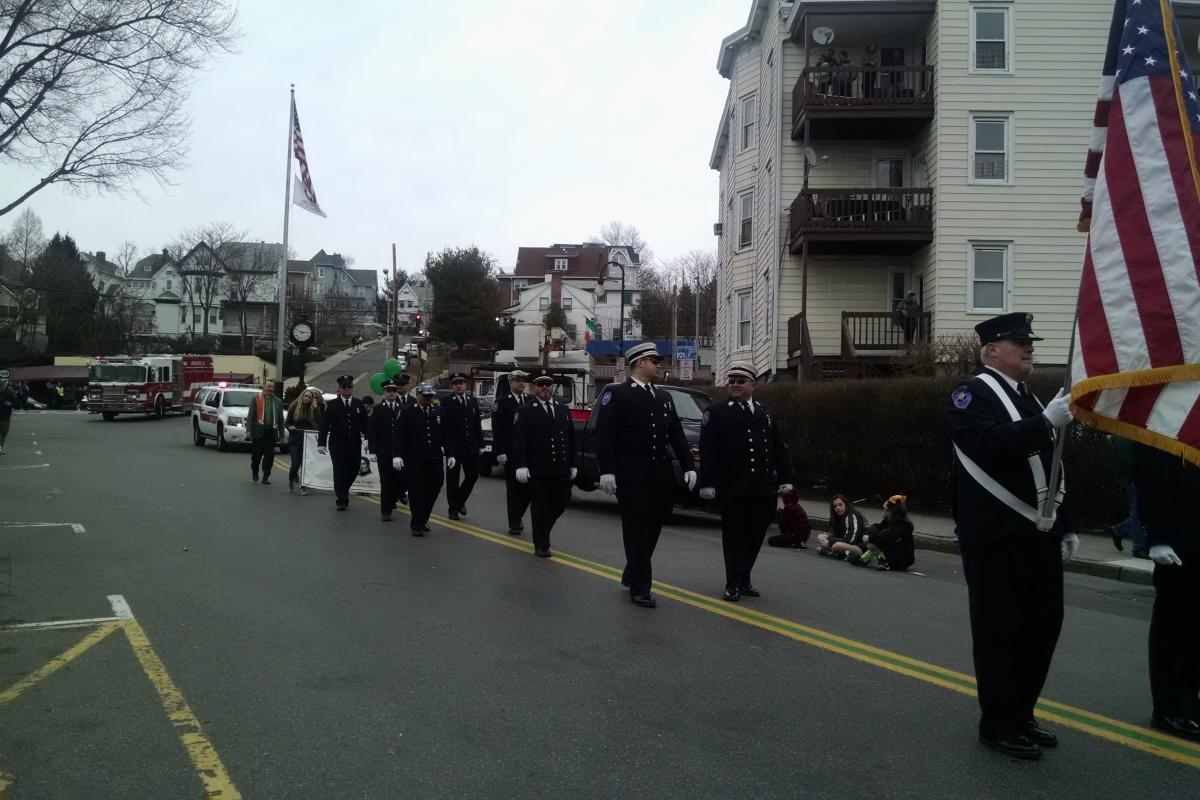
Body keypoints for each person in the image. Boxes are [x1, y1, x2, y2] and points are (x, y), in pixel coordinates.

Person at [947, 312, 1078, 761]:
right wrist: (1045, 423)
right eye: (1019, 342)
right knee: (999, 632)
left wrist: (1067, 523)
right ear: (991, 351)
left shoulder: (1028, 396)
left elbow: (1052, 464)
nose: (1029, 348)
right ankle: (998, 723)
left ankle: (1022, 713)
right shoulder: (970, 394)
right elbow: (989, 444)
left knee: (1042, 627)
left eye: (1029, 342)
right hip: (995, 537)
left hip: (1038, 534)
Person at [594, 342, 697, 609]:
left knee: (653, 527)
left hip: (659, 474)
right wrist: (607, 470)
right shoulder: (617, 394)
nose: (658, 365)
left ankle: (633, 571)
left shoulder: (663, 397)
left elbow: (676, 434)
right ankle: (641, 588)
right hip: (631, 474)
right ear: (640, 363)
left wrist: (688, 466)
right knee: (637, 529)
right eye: (654, 361)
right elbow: (605, 435)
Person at [698, 363, 794, 601]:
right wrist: (707, 482)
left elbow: (779, 448)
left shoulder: (765, 413)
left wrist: (786, 478)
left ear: (753, 384)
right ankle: (732, 582)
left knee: (755, 535)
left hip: (762, 487)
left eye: (741, 381)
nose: (735, 385)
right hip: (732, 486)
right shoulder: (717, 411)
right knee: (734, 536)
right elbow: (708, 450)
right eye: (732, 381)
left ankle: (744, 577)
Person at [1133, 444, 1200, 742]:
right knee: (1174, 628)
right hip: (1180, 541)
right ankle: (1169, 708)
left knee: (1196, 633)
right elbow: (1152, 477)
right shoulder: (1168, 421)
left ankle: (1190, 702)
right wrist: (1159, 536)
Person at [511, 369, 577, 558]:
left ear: (552, 387)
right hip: (538, 468)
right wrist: (521, 464)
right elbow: (519, 440)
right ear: (534, 387)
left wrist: (573, 464)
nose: (545, 388)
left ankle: (543, 529)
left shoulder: (563, 409)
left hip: (561, 468)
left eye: (548, 384)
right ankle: (541, 544)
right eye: (541, 384)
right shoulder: (525, 410)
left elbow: (570, 439)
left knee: (562, 500)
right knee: (539, 507)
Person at [396, 382, 452, 536]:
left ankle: (423, 517)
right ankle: (416, 524)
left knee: (435, 486)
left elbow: (445, 434)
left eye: (430, 396)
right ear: (418, 395)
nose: (428, 399)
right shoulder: (407, 411)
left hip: (434, 457)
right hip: (414, 459)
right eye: (425, 396)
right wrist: (397, 455)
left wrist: (451, 454)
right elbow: (400, 435)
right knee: (416, 492)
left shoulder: (438, 411)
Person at [317, 375, 370, 511]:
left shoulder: (358, 404)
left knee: (354, 469)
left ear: (352, 388)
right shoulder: (332, 405)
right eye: (344, 387)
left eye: (349, 387)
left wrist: (368, 438)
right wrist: (321, 443)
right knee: (340, 471)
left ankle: (343, 491)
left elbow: (365, 423)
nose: (346, 389)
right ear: (339, 389)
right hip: (337, 445)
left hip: (354, 444)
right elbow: (324, 425)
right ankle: (341, 499)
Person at [493, 369, 531, 536]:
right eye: (517, 380)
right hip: (511, 452)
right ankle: (514, 523)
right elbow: (498, 429)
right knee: (514, 489)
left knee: (529, 489)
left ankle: (518, 514)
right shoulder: (502, 402)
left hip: (528, 453)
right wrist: (500, 451)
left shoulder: (530, 400)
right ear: (510, 382)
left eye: (523, 380)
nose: (521, 383)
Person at [442, 373, 483, 521]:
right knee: (453, 480)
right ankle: (453, 509)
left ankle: (459, 501)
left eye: (461, 383)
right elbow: (444, 428)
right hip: (454, 448)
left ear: (466, 385)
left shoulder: (472, 400)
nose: (458, 386)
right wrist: (446, 448)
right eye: (455, 383)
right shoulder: (446, 402)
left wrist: (481, 444)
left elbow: (476, 423)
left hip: (471, 446)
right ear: (451, 386)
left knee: (473, 476)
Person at [369, 378, 407, 522]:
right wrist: (372, 450)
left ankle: (394, 499)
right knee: (386, 482)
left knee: (399, 480)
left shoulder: (403, 408)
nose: (392, 393)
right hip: (383, 451)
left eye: (394, 390)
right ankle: (386, 510)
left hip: (400, 452)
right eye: (389, 390)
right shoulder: (377, 409)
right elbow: (372, 430)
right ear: (384, 392)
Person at [1109, 436, 1148, 558]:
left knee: (1142, 510)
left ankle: (1119, 530)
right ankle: (1138, 548)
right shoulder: (1127, 435)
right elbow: (1126, 457)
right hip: (1135, 475)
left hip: (1136, 474)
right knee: (1138, 510)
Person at [859, 494, 916, 571]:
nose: (882, 511)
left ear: (890, 511)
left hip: (902, 560)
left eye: (884, 509)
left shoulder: (903, 525)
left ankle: (881, 559)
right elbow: (877, 527)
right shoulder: (888, 521)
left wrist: (870, 538)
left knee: (885, 533)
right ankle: (866, 553)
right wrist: (867, 534)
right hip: (893, 554)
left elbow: (889, 536)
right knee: (873, 529)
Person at [286, 388, 324, 495]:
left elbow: (319, 422)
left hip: (307, 441)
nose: (307, 398)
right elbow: (287, 422)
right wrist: (290, 427)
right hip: (295, 440)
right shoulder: (294, 406)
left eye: (310, 397)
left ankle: (303, 486)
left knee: (305, 465)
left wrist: (315, 407)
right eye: (305, 396)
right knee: (295, 464)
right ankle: (291, 480)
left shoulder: (313, 408)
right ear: (302, 396)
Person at [247, 380, 285, 485]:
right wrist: (248, 431)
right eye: (268, 386)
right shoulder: (256, 399)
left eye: (272, 387)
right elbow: (250, 416)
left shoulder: (278, 401)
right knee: (256, 456)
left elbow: (281, 420)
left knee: (269, 457)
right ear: (264, 387)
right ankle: (255, 473)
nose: (270, 389)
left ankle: (266, 476)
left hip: (271, 433)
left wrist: (282, 435)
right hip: (258, 432)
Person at [817, 495, 866, 559]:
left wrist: (830, 542)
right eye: (835, 506)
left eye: (840, 505)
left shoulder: (851, 516)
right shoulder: (835, 517)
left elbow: (850, 540)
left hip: (857, 546)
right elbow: (835, 535)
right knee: (820, 537)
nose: (838, 508)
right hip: (843, 543)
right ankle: (838, 553)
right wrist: (827, 540)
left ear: (846, 505)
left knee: (836, 546)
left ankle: (830, 553)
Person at [0, 373, 17, 454]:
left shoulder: (9, 393)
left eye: (2, 386)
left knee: (3, 434)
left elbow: (16, 404)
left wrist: (10, 404)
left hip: (5, 417)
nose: (1, 387)